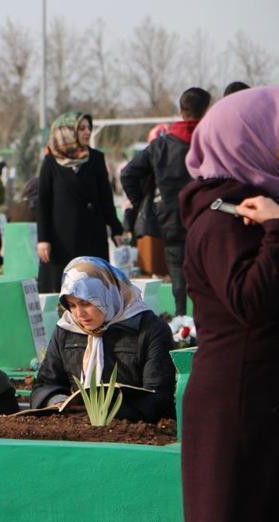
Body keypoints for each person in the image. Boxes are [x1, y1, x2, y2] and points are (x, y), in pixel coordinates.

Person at [179, 86, 279, 521]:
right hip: (236, 408)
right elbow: (250, 301)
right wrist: (277, 231)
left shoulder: (251, 207)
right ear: (248, 141)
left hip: (255, 400)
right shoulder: (225, 218)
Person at [30, 256, 175, 422]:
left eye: (86, 303)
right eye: (72, 305)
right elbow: (45, 383)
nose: (79, 314)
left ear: (108, 293)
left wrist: (106, 412)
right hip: (78, 426)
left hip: (133, 429)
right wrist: (57, 401)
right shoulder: (67, 329)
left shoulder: (149, 329)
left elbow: (158, 396)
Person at [120, 87, 211, 316]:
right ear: (207, 110)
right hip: (207, 216)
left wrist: (143, 203)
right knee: (209, 276)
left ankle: (183, 326)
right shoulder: (211, 141)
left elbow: (128, 174)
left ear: (181, 111)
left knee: (178, 278)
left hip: (171, 218)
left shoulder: (160, 146)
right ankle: (206, 324)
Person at [36, 112, 123, 292]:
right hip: (61, 237)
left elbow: (105, 197)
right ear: (68, 131)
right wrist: (43, 238)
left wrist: (115, 228)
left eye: (89, 128)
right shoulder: (51, 161)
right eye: (82, 128)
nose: (88, 132)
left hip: (92, 234)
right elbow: (43, 201)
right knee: (63, 287)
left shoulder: (96, 158)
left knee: (92, 284)